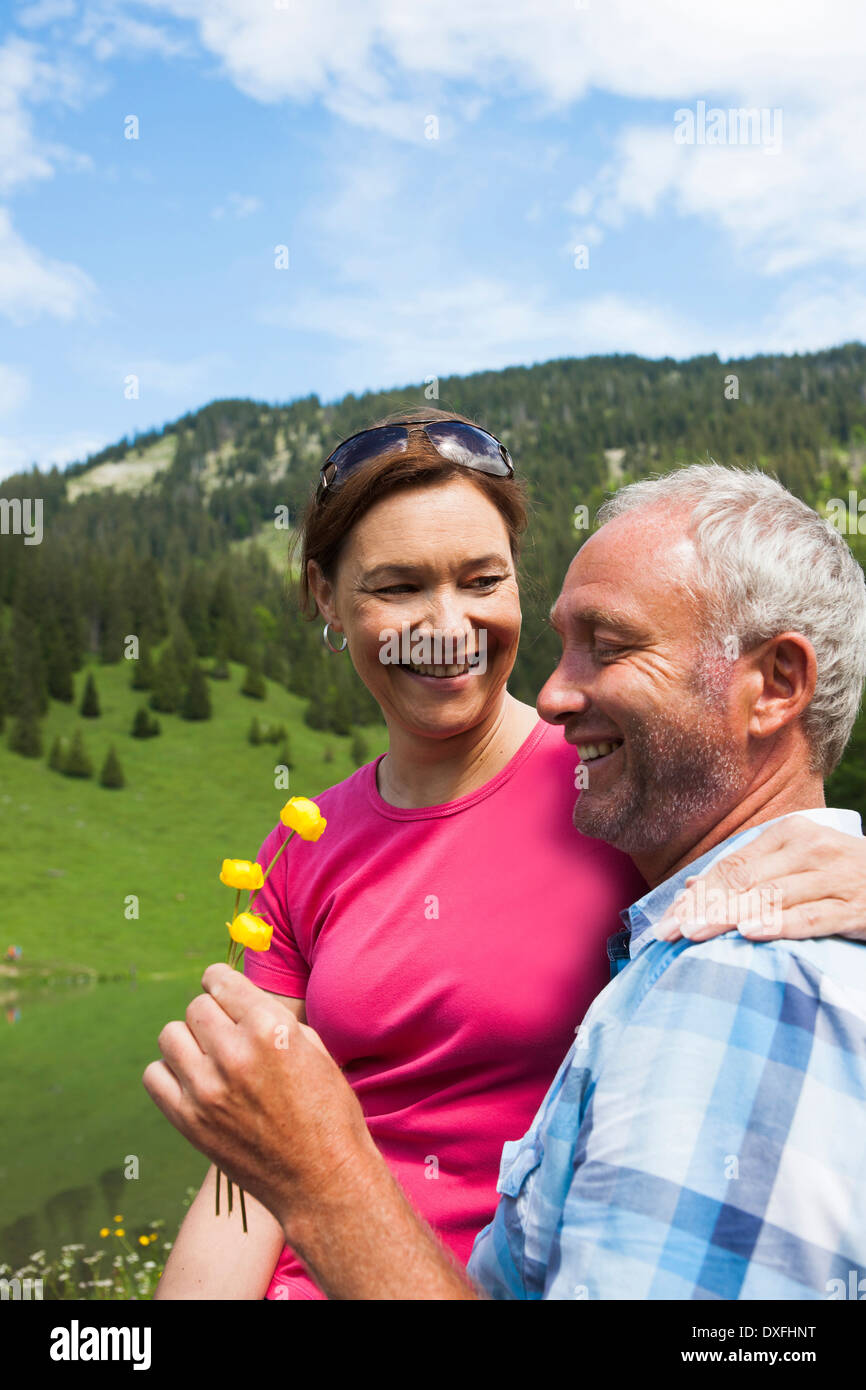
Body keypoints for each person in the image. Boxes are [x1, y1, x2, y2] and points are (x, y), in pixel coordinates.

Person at [148, 445, 866, 1300]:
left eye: (482, 580)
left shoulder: (614, 784)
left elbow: (761, 808)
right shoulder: (301, 845)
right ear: (325, 600)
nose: (446, 624)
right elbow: (254, 1163)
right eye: (398, 586)